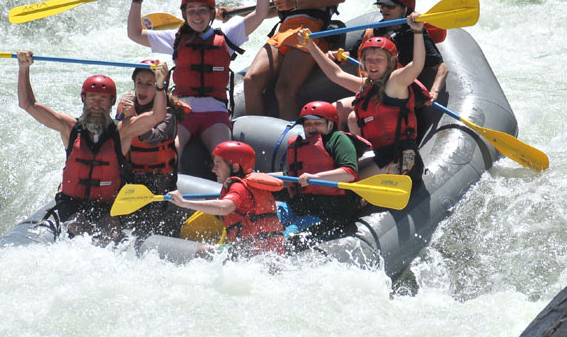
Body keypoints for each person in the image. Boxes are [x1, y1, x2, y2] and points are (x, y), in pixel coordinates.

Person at [126, 0, 270, 157]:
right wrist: (137, 0)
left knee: (224, 156)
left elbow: (261, 12)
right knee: (172, 150)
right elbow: (135, 33)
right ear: (185, 15)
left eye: (202, 10)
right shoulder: (176, 38)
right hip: (182, 112)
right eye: (191, 11)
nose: (197, 16)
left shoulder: (228, 36)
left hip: (216, 113)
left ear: (211, 14)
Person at [300, 16, 426, 187]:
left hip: (404, 160)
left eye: (379, 60)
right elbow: (336, 75)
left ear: (390, 63)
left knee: (346, 182)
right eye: (368, 59)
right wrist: (311, 46)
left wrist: (418, 31)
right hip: (383, 156)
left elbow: (417, 66)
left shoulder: (396, 82)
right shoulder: (367, 86)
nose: (372, 64)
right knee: (342, 167)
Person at [17, 51, 128, 241]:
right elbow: (27, 104)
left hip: (107, 206)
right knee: (78, 228)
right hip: (72, 204)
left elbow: (156, 117)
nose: (96, 103)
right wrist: (24, 69)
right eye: (92, 97)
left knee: (112, 234)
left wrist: (160, 85)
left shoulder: (122, 132)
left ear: (112, 102)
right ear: (83, 99)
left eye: (102, 99)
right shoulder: (69, 128)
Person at [336, 0, 449, 133]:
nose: (384, 10)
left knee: (354, 118)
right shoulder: (376, 30)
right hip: (370, 89)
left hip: (396, 95)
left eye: (390, 6)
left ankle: (366, 152)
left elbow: (442, 68)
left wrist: (434, 92)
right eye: (381, 6)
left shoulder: (412, 35)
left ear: (405, 9)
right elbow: (351, 54)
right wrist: (336, 54)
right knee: (339, 108)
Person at [167, 141, 286, 257]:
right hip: (269, 250)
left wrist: (184, 203)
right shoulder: (251, 185)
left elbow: (225, 207)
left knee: (203, 251)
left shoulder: (239, 187)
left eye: (218, 164)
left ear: (235, 167)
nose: (214, 169)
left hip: (255, 252)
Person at [116, 60, 187, 237]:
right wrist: (125, 118)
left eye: (149, 84)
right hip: (131, 178)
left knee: (160, 228)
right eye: (139, 83)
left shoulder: (168, 114)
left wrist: (133, 120)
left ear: (158, 88)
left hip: (160, 182)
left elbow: (153, 138)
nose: (142, 89)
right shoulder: (125, 107)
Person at [279, 101, 370, 239]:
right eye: (307, 124)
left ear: (330, 124)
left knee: (288, 237)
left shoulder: (339, 140)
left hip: (329, 210)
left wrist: (314, 177)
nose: (311, 127)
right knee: (267, 221)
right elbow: (290, 176)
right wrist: (261, 177)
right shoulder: (303, 144)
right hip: (300, 205)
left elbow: (349, 173)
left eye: (317, 123)